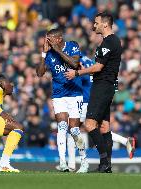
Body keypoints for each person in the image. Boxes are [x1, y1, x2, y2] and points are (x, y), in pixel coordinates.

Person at [65, 12, 124, 173]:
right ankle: (107, 165)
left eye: (96, 22)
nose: (94, 25)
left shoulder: (108, 43)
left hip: (102, 86)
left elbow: (99, 67)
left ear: (105, 24)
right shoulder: (113, 41)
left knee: (89, 124)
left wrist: (76, 73)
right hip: (108, 85)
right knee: (104, 127)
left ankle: (104, 161)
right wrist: (88, 71)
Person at [65, 55, 136, 171]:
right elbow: (113, 79)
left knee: (73, 130)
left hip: (86, 101)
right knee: (100, 130)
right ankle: (124, 142)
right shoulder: (93, 62)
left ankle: (71, 166)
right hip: (100, 99)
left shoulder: (78, 62)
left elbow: (76, 80)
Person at [36, 28, 89, 173]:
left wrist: (58, 50)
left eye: (50, 39)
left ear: (58, 39)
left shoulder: (72, 45)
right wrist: (43, 54)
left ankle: (84, 162)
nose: (47, 42)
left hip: (75, 93)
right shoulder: (49, 53)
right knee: (62, 127)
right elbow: (40, 73)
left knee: (75, 130)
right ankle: (63, 162)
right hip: (59, 94)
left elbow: (74, 64)